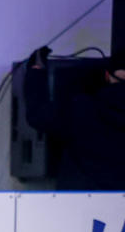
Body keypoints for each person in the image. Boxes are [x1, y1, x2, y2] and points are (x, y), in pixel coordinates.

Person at [19, 46, 125, 191]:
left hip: (82, 200)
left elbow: (38, 115)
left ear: (106, 76)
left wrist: (36, 71)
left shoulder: (82, 108)